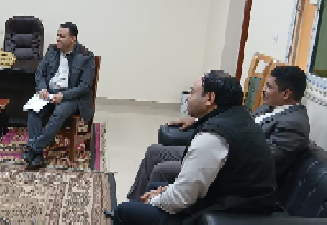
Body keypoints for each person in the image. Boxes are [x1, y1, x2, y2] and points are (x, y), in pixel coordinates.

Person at [86, 71, 278, 225]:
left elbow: (182, 198)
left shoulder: (213, 138)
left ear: (210, 98)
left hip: (223, 217)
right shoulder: (237, 118)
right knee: (155, 188)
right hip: (233, 204)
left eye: (193, 92)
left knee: (127, 213)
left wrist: (154, 200)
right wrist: (162, 192)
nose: (187, 97)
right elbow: (198, 184)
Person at [128, 65, 310, 199]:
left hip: (228, 166)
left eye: (269, 86)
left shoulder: (293, 124)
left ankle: (148, 216)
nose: (263, 90)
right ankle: (134, 203)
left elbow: (265, 160)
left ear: (286, 93)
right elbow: (237, 121)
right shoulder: (268, 108)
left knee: (162, 169)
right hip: (221, 151)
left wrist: (213, 152)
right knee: (154, 152)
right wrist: (199, 120)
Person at [22, 22, 95, 168]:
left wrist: (63, 96)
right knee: (33, 110)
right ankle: (37, 155)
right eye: (57, 35)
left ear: (73, 39)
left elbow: (85, 87)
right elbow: (40, 73)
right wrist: (42, 88)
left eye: (62, 36)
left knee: (59, 112)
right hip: (49, 92)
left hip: (72, 96)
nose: (58, 39)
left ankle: (33, 148)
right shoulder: (52, 51)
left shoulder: (86, 56)